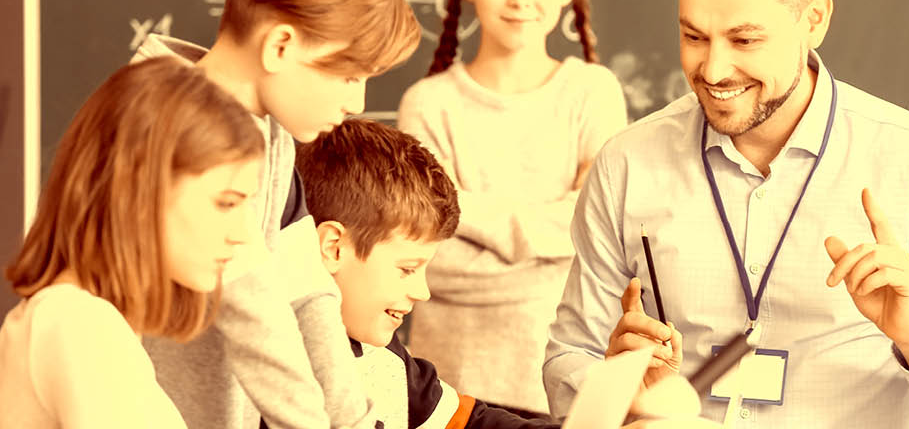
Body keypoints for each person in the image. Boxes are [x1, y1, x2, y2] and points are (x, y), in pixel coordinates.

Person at [543, 0, 909, 427]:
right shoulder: (626, 163)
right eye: (693, 36)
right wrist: (621, 396)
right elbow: (570, 361)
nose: (713, 70)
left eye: (745, 39)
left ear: (814, 18)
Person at [295, 119, 718, 429]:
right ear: (333, 247)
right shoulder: (277, 364)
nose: (422, 291)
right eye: (407, 269)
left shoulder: (390, 363)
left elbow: (471, 422)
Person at [130, 0, 420, 428]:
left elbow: (306, 290)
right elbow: (251, 311)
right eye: (349, 75)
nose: (357, 102)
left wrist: (354, 420)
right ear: (281, 46)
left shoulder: (268, 132)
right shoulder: (172, 127)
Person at [0, 57, 263, 428]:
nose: (242, 233)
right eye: (226, 203)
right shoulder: (79, 325)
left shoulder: (89, 322)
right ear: (139, 193)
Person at [396, 0, 626, 414]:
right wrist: (556, 267)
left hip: (570, 387)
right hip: (448, 394)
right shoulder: (428, 104)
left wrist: (462, 206)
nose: (521, 1)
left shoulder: (593, 93)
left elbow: (601, 235)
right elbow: (428, 260)